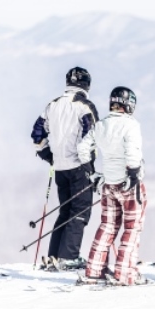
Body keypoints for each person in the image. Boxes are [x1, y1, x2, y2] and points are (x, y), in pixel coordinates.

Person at [76, 86, 147, 286]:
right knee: (132, 228)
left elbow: (83, 148)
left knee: (107, 226)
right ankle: (124, 274)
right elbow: (132, 151)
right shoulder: (131, 125)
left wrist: (91, 173)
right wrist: (133, 174)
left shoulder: (101, 125)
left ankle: (94, 270)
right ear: (129, 104)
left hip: (108, 184)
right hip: (129, 185)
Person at [30, 66, 99, 271]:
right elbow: (90, 137)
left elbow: (37, 134)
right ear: (87, 84)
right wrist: (90, 168)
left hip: (59, 168)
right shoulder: (84, 106)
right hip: (79, 167)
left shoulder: (53, 105)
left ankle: (54, 256)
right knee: (80, 212)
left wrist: (48, 156)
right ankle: (68, 258)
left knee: (65, 211)